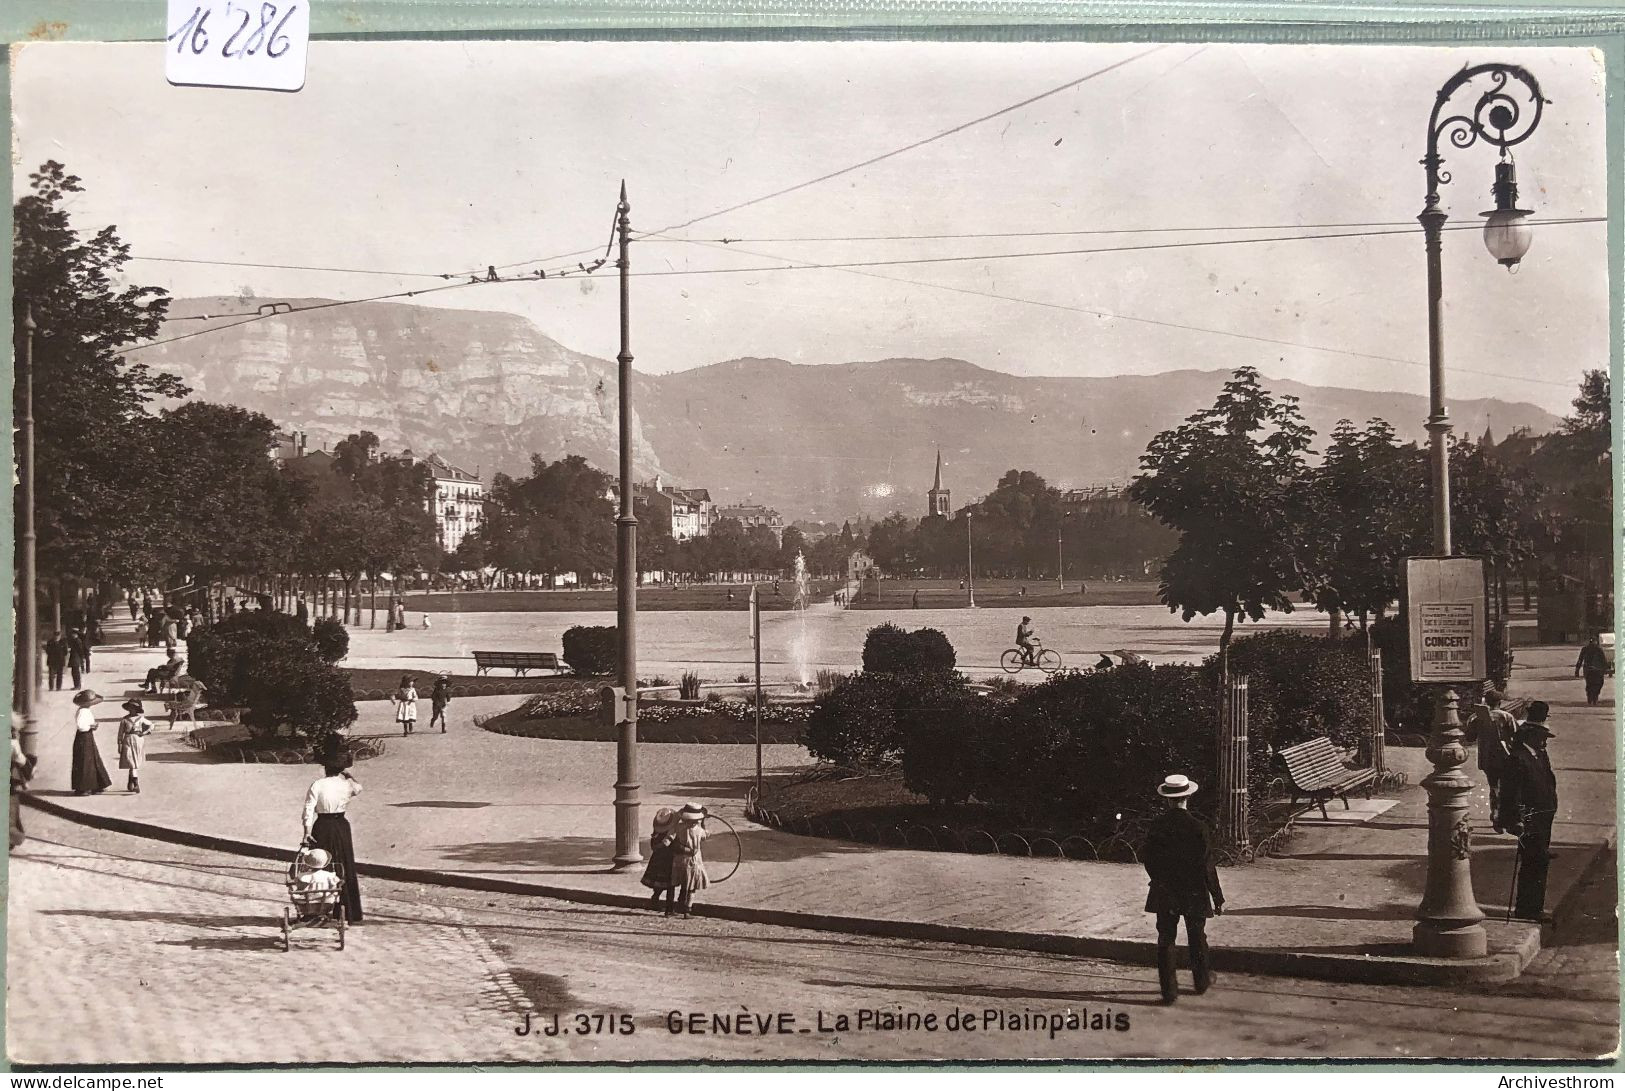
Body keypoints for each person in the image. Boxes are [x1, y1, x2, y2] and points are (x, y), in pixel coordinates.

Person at [1140, 773, 1224, 1004]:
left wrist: (1158, 879)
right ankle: (1201, 981)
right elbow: (1207, 866)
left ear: (1167, 799)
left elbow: (1147, 858)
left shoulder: (1157, 825)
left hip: (1165, 891)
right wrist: (1217, 896)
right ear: (1188, 798)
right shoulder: (1199, 827)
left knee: (1166, 939)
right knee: (1197, 937)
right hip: (1194, 891)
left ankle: (1169, 992)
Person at [1496, 703, 1558, 923]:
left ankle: (1534, 907)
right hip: (1529, 820)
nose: (1544, 741)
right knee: (1533, 862)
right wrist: (1515, 820)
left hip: (1543, 817)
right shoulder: (1518, 759)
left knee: (1540, 861)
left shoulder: (1539, 755)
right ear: (1530, 736)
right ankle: (1528, 909)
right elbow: (1511, 794)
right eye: (1542, 737)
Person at [302, 750, 364, 923]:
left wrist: (307, 832)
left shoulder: (318, 785)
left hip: (322, 826)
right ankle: (347, 910)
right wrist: (348, 775)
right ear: (341, 769)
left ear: (325, 768)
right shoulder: (347, 785)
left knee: (321, 864)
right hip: (341, 826)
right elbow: (359, 788)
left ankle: (319, 907)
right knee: (344, 864)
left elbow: (308, 809)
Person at [1465, 689, 1517, 832]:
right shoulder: (1506, 717)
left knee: (1494, 786)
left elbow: (1469, 738)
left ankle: (1496, 814)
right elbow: (1516, 736)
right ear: (1500, 703)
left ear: (1486, 703)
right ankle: (1504, 817)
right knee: (1507, 787)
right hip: (1506, 757)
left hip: (1487, 759)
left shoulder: (1477, 718)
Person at [670, 803, 710, 919]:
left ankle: (679, 904)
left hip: (680, 860)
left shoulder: (679, 828)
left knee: (683, 883)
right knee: (691, 887)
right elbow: (706, 835)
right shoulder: (699, 831)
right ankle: (687, 909)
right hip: (693, 861)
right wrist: (703, 823)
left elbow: (673, 828)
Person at [70, 690, 113, 796]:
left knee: (92, 759)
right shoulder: (82, 711)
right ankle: (84, 787)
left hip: (87, 736)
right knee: (85, 760)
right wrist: (91, 726)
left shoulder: (86, 710)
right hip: (83, 737)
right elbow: (81, 726)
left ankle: (96, 784)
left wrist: (92, 725)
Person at [641, 807, 679, 915]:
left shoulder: (656, 833)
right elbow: (668, 843)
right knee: (670, 884)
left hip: (657, 860)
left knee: (659, 882)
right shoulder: (671, 833)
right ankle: (669, 909)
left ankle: (655, 900)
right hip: (669, 859)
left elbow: (653, 846)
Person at [116, 700, 153, 794]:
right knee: (131, 762)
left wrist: (144, 732)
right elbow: (120, 733)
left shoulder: (141, 718)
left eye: (133, 708)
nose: (131, 710)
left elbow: (151, 725)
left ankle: (130, 782)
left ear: (137, 709)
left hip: (138, 740)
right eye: (130, 708)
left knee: (135, 763)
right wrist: (119, 744)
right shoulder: (124, 720)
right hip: (127, 740)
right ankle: (136, 784)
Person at [1574, 636, 1609, 707]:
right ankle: (1593, 698)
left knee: (1590, 685)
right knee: (1597, 684)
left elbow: (1580, 660)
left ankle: (1591, 698)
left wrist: (1577, 670)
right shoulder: (1598, 649)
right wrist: (1606, 669)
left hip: (1589, 670)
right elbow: (1603, 660)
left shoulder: (1586, 649)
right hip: (1596, 670)